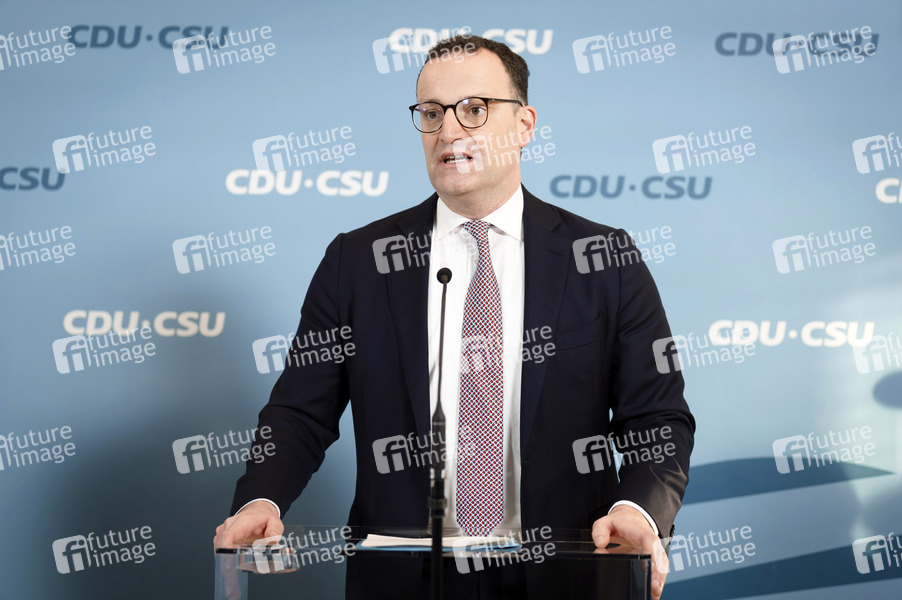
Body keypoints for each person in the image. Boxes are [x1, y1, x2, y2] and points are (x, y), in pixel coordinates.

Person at [214, 34, 694, 600]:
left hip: (566, 573)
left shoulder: (603, 258)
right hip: (408, 578)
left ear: (524, 124)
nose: (448, 131)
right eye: (432, 112)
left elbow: (657, 417)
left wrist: (638, 508)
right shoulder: (359, 261)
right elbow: (300, 412)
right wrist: (261, 499)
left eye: (473, 109)